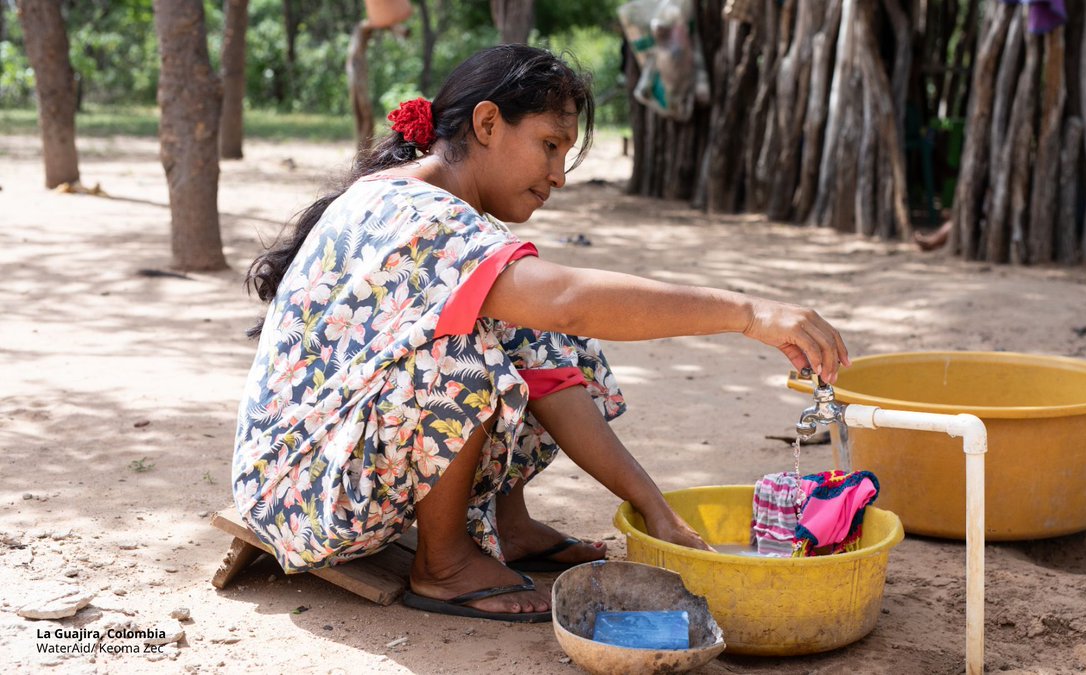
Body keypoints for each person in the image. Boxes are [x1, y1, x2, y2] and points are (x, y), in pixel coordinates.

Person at [233, 45, 850, 624]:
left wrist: (657, 512)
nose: (558, 174)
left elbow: (557, 351)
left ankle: (510, 521)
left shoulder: (438, 209)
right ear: (487, 125)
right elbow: (572, 301)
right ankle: (443, 563)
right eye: (549, 145)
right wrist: (748, 313)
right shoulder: (416, 217)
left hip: (337, 466)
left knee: (541, 337)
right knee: (460, 360)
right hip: (300, 497)